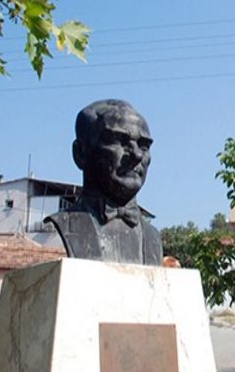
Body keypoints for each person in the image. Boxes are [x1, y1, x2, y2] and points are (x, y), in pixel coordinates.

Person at [45, 99, 163, 266]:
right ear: (80, 153)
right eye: (119, 141)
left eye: (143, 146)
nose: (137, 155)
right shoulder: (59, 229)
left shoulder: (153, 238)